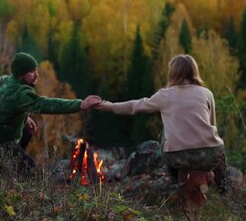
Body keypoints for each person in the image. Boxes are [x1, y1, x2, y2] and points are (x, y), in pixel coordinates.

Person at [96, 54, 227, 193]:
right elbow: (213, 125)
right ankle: (223, 189)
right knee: (218, 148)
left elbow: (136, 106)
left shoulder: (165, 95)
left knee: (164, 132)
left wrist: (111, 106)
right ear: (194, 71)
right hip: (209, 155)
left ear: (173, 73)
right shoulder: (207, 93)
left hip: (178, 157)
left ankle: (176, 180)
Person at [0, 52, 101, 176]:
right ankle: (10, 173)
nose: (36, 74)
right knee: (34, 175)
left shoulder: (4, 80)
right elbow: (45, 104)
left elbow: (1, 104)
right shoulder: (21, 94)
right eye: (32, 71)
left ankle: (5, 168)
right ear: (21, 74)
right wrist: (80, 104)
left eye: (36, 70)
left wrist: (25, 118)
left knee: (27, 131)